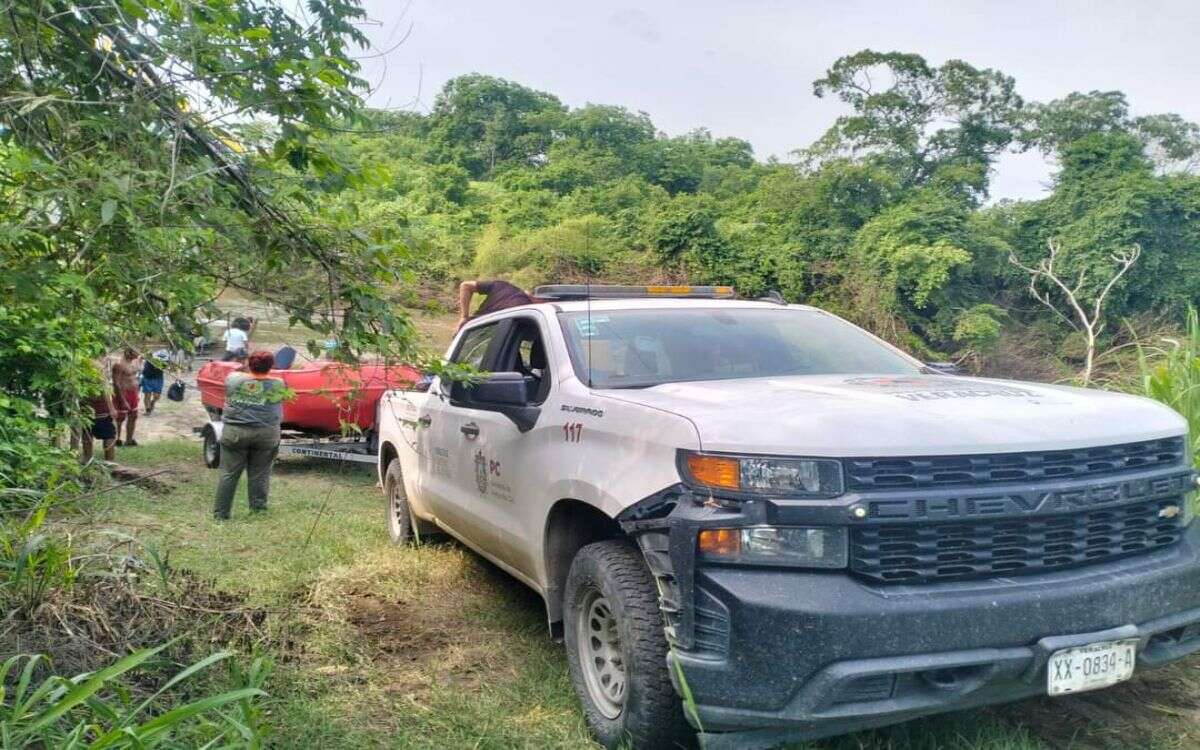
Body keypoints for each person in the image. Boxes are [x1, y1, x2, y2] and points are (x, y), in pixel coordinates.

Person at [214, 350, 285, 520]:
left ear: (249, 363)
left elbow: (237, 373)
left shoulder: (233, 379)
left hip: (235, 432)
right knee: (260, 473)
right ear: (271, 366)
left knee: (229, 474)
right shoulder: (279, 384)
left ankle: (221, 515)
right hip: (266, 434)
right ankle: (258, 511)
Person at [457, 279, 532, 330]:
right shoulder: (527, 308)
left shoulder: (502, 285)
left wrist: (464, 317)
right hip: (481, 336)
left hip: (470, 329)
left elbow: (465, 286)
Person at [81, 376, 118, 463]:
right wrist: (111, 408)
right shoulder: (95, 368)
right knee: (108, 434)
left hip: (88, 407)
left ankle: (89, 458)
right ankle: (108, 461)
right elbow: (105, 389)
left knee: (88, 432)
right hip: (94, 407)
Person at [111, 348, 140, 447]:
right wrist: (122, 399)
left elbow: (134, 377)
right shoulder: (119, 364)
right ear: (128, 352)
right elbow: (116, 383)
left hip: (133, 393)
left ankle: (129, 440)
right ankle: (117, 439)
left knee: (133, 416)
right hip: (123, 393)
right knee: (120, 418)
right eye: (136, 351)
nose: (138, 354)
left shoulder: (135, 362)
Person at [141, 349, 168, 415]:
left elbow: (168, 367)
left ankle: (152, 402)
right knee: (147, 395)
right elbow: (142, 357)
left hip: (158, 378)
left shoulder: (166, 361)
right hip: (148, 378)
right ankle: (148, 410)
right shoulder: (150, 358)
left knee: (157, 396)